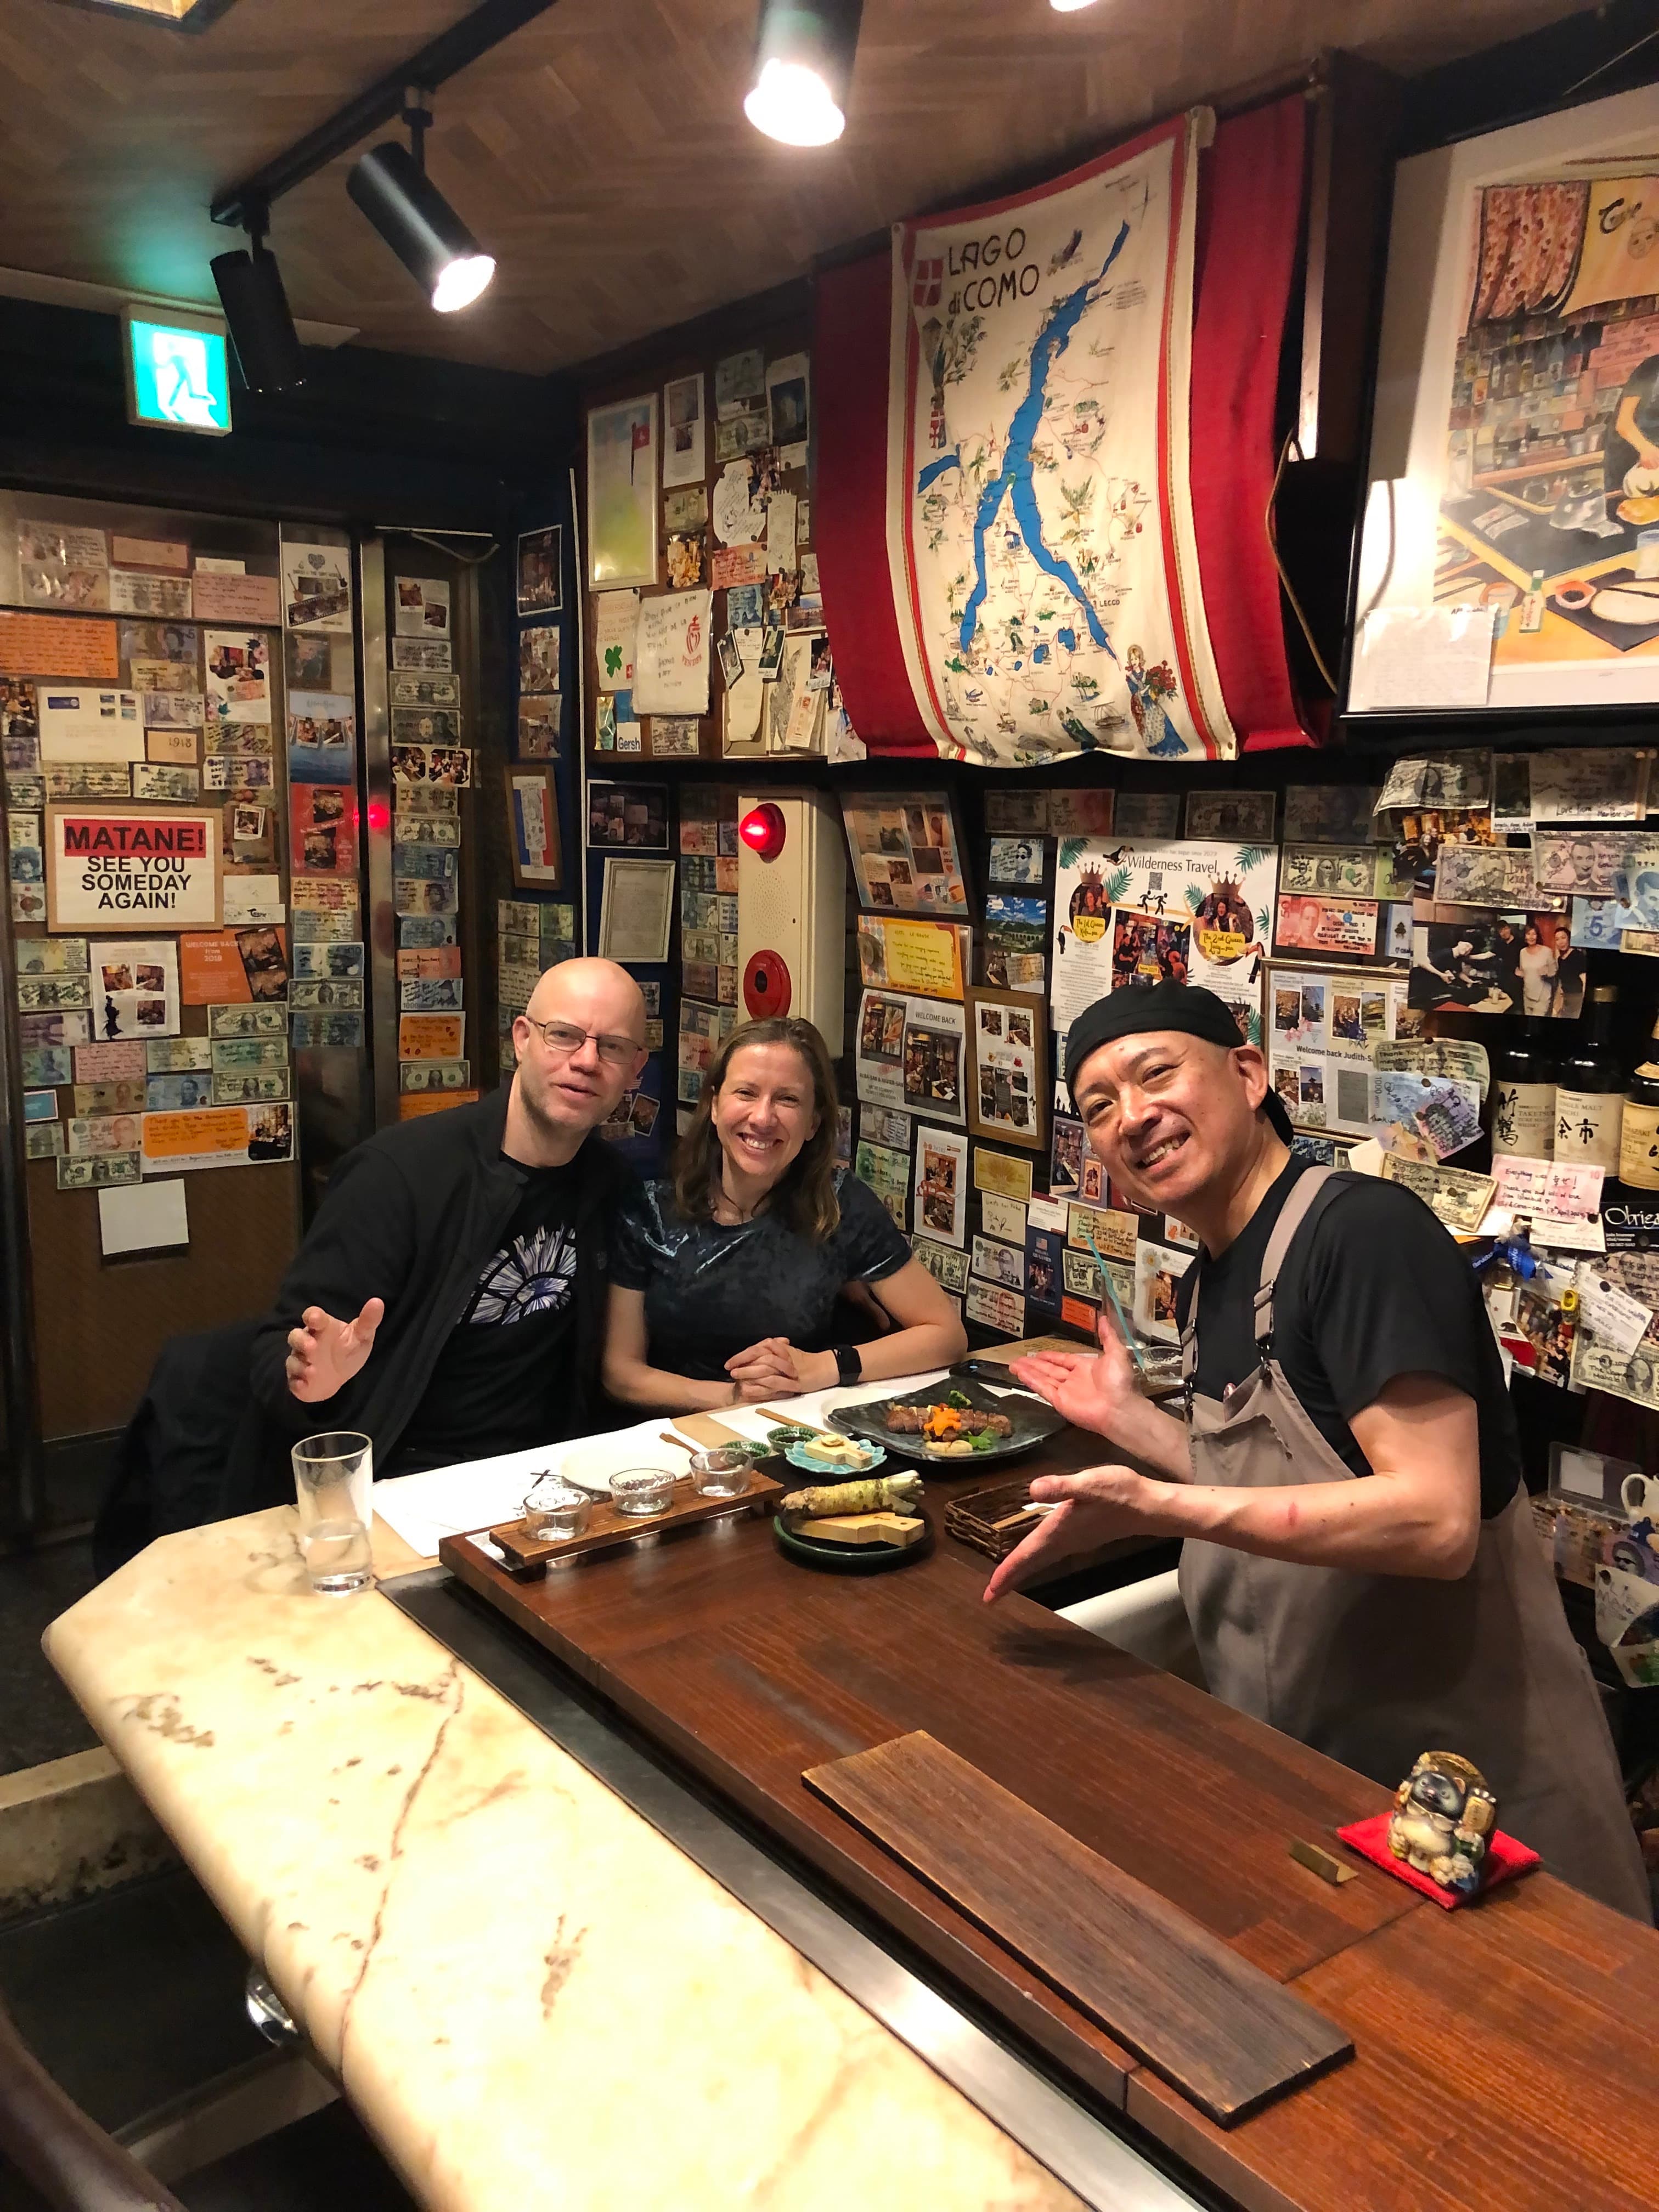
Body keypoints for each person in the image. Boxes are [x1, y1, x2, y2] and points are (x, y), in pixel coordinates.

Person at [984, 980, 1651, 1921]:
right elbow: (1292, 1480)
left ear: (1248, 1072)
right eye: (1097, 1107)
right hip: (1327, 1783)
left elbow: (1432, 1519)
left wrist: (1153, 1504)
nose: (1130, 1117)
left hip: (1478, 1816)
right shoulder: (1212, 1274)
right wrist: (1132, 1426)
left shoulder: (1360, 1237)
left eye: (1154, 1074)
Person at [250, 958, 648, 1475]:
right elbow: (275, 1352)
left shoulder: (611, 1184)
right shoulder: (399, 1176)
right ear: (522, 1039)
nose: (587, 1061)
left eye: (612, 1046)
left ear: (636, 1068)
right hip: (404, 1474)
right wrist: (313, 1381)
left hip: (555, 1475)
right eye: (564, 1036)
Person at [603, 1017, 966, 1412]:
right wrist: (735, 1397)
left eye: (788, 1099)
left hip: (800, 1438)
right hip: (673, 1440)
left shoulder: (839, 1203)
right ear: (713, 1104)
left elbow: (946, 1335)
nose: (763, 1117)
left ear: (813, 1123)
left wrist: (821, 1368)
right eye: (746, 1092)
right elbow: (621, 1374)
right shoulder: (650, 1209)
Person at [1517, 918, 1558, 1017]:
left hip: (1542, 995)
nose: (1531, 937)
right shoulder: (1522, 952)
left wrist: (1547, 972)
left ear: (1538, 935)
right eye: (1528, 934)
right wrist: (1521, 974)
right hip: (1527, 994)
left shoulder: (1546, 951)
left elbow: (1554, 971)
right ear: (1525, 936)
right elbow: (1525, 972)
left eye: (1534, 934)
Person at [1551, 920, 1587, 1020]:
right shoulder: (1560, 959)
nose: (1561, 942)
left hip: (1577, 998)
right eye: (1557, 939)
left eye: (1563, 938)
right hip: (1566, 998)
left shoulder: (1577, 956)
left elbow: (1584, 979)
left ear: (1569, 939)